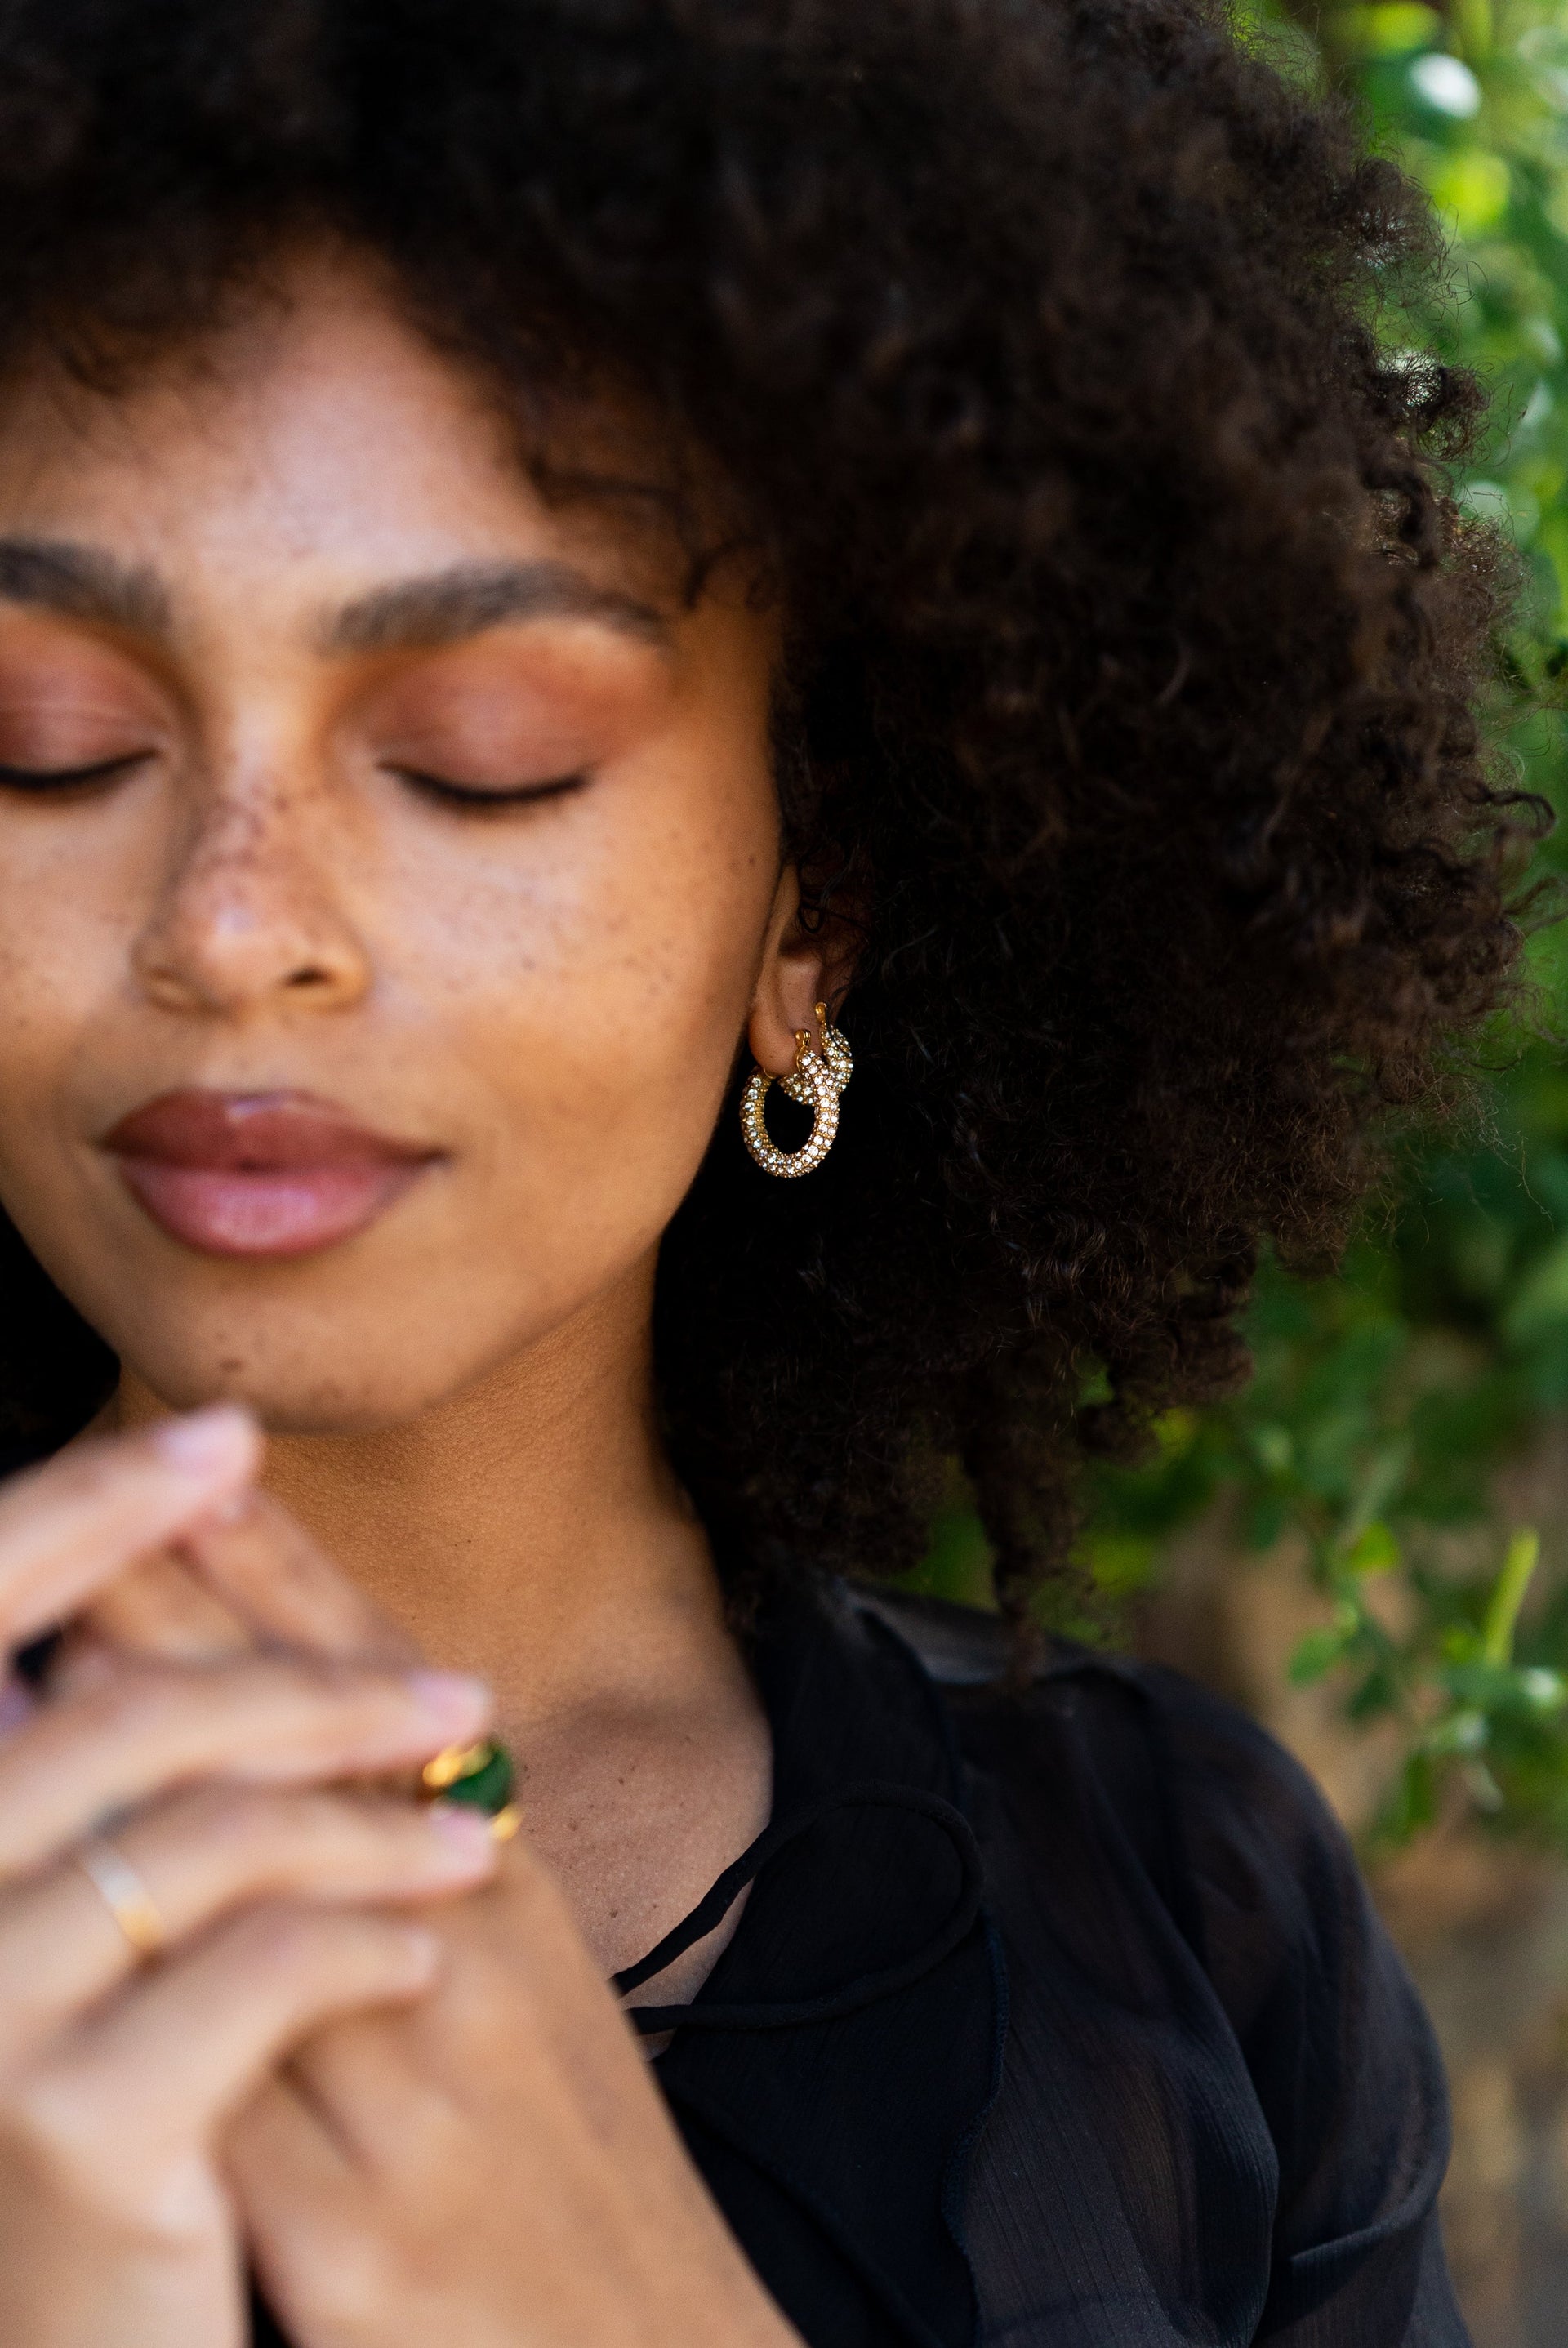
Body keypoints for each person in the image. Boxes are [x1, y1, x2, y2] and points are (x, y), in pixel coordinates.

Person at [0, 0, 1524, 2341]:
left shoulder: (1192, 1927)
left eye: (484, 753)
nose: (229, 928)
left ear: (809, 914)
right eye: (48, 740)